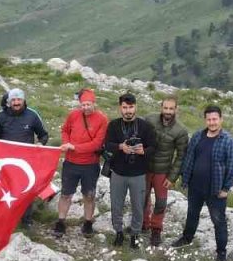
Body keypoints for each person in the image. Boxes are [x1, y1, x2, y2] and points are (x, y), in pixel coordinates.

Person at [172, 105, 233, 261]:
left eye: (215, 119)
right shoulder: (197, 136)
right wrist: (185, 178)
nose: (212, 122)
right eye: (209, 119)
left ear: (221, 119)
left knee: (218, 221)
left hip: (215, 190)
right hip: (195, 186)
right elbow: (189, 158)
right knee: (192, 214)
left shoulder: (228, 141)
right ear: (205, 120)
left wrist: (226, 188)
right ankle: (187, 239)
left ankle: (221, 252)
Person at [103, 92, 157, 248]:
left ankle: (135, 234)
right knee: (116, 205)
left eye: (131, 107)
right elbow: (107, 144)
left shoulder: (145, 127)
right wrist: (121, 147)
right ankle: (118, 232)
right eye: (125, 107)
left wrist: (143, 151)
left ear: (136, 107)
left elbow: (154, 147)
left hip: (138, 174)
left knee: (138, 206)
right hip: (118, 173)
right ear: (120, 108)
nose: (128, 111)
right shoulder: (113, 125)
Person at [0, 88, 51, 226]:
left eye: (19, 99)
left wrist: (41, 144)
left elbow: (44, 135)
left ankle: (26, 221)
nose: (16, 102)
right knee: (3, 190)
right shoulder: (1, 116)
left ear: (23, 100)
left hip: (26, 162)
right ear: (9, 102)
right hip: (5, 162)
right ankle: (4, 219)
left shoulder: (32, 115)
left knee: (25, 190)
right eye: (13, 100)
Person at [54, 89, 108, 237]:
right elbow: (65, 130)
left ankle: (88, 223)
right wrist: (66, 143)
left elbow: (97, 144)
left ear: (94, 103)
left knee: (89, 195)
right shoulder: (73, 115)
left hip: (90, 164)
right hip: (71, 163)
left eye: (88, 104)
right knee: (66, 194)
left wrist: (74, 147)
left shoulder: (102, 120)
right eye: (83, 105)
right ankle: (60, 222)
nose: (85, 108)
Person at [142, 97, 188, 247]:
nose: (168, 111)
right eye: (165, 108)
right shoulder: (149, 119)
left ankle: (156, 230)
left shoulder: (181, 130)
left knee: (161, 202)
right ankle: (143, 223)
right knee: (143, 197)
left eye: (171, 109)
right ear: (161, 107)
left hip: (163, 171)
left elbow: (181, 156)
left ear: (176, 109)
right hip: (145, 167)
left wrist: (172, 177)